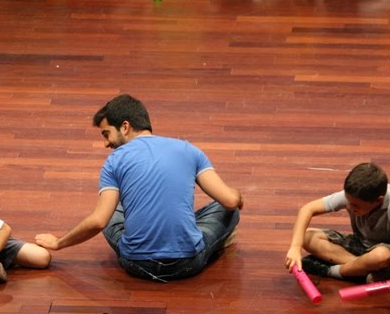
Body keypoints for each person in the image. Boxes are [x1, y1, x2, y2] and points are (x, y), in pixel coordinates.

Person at [35, 94, 242, 282]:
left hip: (137, 265)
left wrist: (59, 243)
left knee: (110, 209)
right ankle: (183, 233)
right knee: (227, 210)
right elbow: (230, 201)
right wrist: (238, 196)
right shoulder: (188, 150)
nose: (106, 144)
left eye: (106, 134)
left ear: (125, 126)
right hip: (188, 263)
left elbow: (99, 221)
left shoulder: (114, 161)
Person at [284, 163, 390, 288]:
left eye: (356, 205)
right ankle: (362, 269)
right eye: (348, 201)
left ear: (378, 200)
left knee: (379, 255)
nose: (349, 206)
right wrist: (295, 247)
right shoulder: (354, 195)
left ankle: (332, 271)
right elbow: (307, 209)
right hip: (362, 245)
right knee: (306, 236)